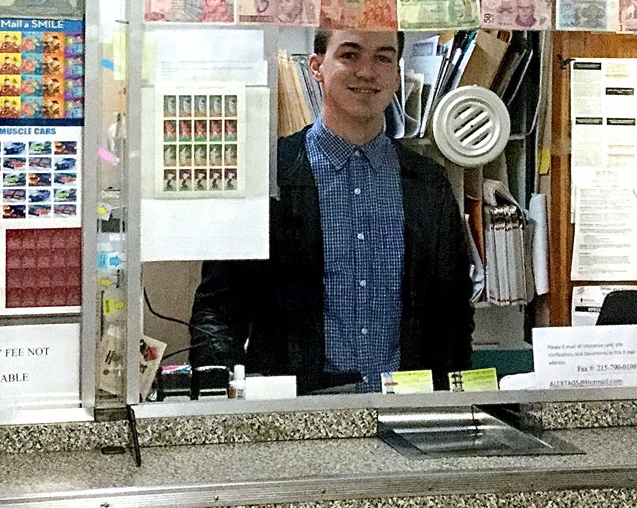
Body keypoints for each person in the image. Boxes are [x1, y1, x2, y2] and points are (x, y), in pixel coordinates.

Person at [190, 30, 474, 394]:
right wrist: (220, 400)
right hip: (296, 416)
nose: (367, 72)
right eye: (350, 55)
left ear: (398, 73)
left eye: (383, 58)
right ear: (316, 68)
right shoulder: (269, 173)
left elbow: (453, 312)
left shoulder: (426, 183)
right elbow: (218, 309)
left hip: (408, 414)